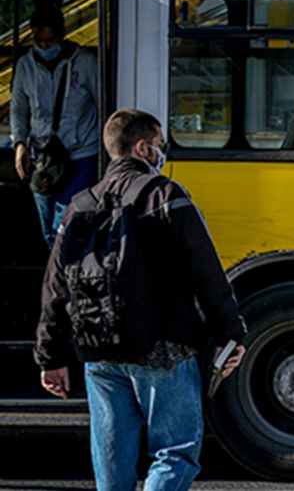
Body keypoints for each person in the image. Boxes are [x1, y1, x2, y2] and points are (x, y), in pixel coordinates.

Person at [34, 108, 247, 491]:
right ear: (143, 148)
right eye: (161, 146)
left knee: (112, 463)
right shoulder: (165, 195)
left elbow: (55, 287)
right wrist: (230, 334)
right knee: (176, 453)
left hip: (99, 353)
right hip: (163, 347)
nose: (163, 154)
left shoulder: (79, 205)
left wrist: (50, 357)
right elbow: (207, 274)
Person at [10, 1, 101, 245]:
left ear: (61, 35)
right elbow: (18, 109)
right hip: (43, 157)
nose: (43, 47)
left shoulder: (85, 63)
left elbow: (103, 104)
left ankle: (64, 279)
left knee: (66, 225)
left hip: (80, 153)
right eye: (38, 41)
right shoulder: (25, 66)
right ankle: (61, 276)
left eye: (49, 41)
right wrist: (20, 144)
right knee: (48, 228)